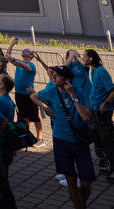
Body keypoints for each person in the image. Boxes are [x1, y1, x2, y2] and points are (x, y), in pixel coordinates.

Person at [31, 66, 95, 209]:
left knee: (86, 183)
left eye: (57, 75)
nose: (53, 77)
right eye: (53, 74)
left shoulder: (78, 91)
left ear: (66, 80)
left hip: (79, 141)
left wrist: (74, 97)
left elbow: (86, 116)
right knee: (71, 181)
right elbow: (33, 96)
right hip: (61, 141)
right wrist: (45, 107)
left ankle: (79, 204)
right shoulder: (51, 91)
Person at [83, 49, 114, 183]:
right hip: (96, 111)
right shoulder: (94, 70)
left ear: (90, 58)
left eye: (84, 56)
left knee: (109, 142)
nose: (82, 58)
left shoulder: (101, 71)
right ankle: (110, 167)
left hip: (103, 113)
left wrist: (105, 103)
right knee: (101, 140)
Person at [8, 48, 43, 146]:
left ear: (31, 56)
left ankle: (40, 138)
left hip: (29, 95)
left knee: (34, 116)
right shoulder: (18, 63)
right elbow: (8, 56)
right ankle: (27, 135)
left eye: (26, 51)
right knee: (24, 116)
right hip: (18, 94)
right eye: (22, 50)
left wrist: (14, 60)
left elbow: (25, 66)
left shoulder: (31, 65)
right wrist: (12, 44)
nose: (23, 51)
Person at [0, 76, 17, 209]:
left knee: (1, 180)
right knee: (2, 177)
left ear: (1, 86)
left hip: (0, 144)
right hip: (7, 144)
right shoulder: (7, 99)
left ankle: (8, 204)